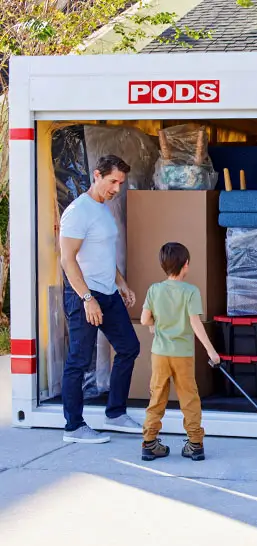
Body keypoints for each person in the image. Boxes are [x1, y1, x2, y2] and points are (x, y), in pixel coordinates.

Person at [60, 154, 141, 444]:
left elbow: (104, 255)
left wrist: (121, 283)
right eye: (112, 182)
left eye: (120, 182)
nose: (117, 188)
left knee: (129, 347)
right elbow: (68, 260)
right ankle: (74, 427)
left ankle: (115, 414)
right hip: (84, 294)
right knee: (79, 361)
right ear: (96, 175)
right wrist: (86, 298)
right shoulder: (78, 211)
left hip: (108, 293)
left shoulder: (103, 209)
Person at [140, 242, 220, 462]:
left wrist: (153, 325)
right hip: (183, 355)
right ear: (186, 265)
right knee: (189, 398)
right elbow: (195, 323)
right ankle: (195, 444)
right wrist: (211, 351)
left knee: (157, 396)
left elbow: (145, 318)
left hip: (160, 354)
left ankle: (149, 443)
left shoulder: (154, 290)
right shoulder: (191, 291)